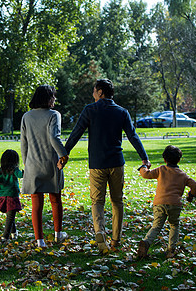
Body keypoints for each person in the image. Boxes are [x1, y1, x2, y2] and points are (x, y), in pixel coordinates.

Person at [62, 79, 150, 253]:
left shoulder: (90, 110)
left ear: (100, 92)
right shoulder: (122, 112)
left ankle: (100, 232)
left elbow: (76, 134)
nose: (93, 94)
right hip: (116, 162)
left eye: (94, 91)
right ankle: (116, 239)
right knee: (117, 201)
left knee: (97, 201)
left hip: (97, 164)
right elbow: (133, 136)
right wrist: (144, 158)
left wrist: (65, 153)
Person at [21, 85, 69, 248]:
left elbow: (24, 143)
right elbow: (54, 138)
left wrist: (26, 163)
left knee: (36, 203)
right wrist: (63, 155)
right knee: (55, 199)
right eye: (53, 96)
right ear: (48, 99)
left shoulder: (26, 117)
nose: (55, 99)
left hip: (33, 164)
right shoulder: (54, 115)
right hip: (51, 162)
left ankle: (39, 240)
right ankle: (58, 234)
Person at [137, 145, 196, 259]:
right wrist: (191, 195)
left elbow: (146, 174)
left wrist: (143, 167)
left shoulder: (161, 170)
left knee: (156, 226)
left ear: (164, 160)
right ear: (179, 159)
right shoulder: (182, 174)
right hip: (175, 205)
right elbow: (194, 184)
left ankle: (146, 242)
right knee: (174, 225)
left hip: (159, 204)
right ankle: (171, 249)